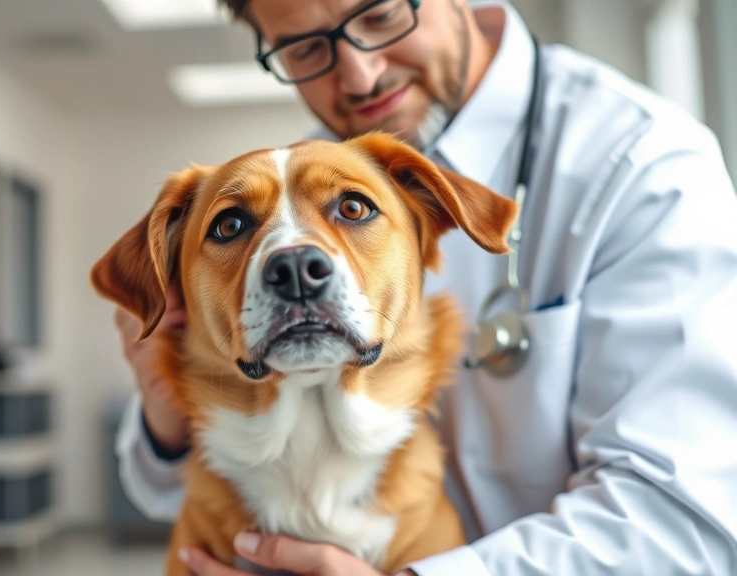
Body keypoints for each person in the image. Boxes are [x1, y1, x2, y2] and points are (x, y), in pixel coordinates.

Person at [111, 0, 737, 574]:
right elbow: (166, 488)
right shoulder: (316, 172)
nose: (358, 75)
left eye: (382, 15)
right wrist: (167, 418)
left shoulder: (643, 165)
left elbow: (685, 520)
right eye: (305, 50)